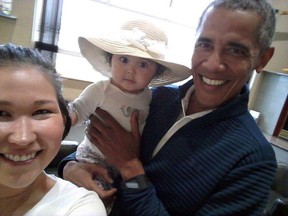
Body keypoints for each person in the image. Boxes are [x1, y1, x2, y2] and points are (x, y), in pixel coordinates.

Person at [58, 0, 278, 215]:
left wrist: (130, 169)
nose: (212, 63)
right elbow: (98, 148)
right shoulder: (157, 99)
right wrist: (70, 168)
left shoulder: (252, 160)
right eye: (205, 44)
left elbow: (124, 167)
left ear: (263, 59)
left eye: (235, 50)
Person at [70, 19, 190, 190]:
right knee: (89, 194)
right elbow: (77, 111)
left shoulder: (151, 97)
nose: (130, 70)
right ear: (110, 60)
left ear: (156, 73)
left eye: (142, 65)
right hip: (92, 157)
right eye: (124, 59)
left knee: (111, 197)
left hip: (123, 169)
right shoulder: (100, 89)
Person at [0, 43, 107, 216]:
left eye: (41, 112)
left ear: (64, 119)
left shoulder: (81, 207)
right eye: (2, 113)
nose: (23, 138)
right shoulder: (99, 90)